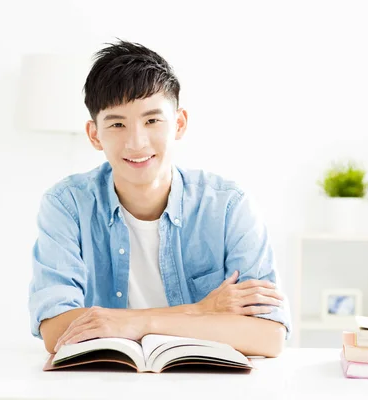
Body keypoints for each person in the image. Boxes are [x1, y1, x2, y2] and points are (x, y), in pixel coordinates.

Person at [28, 39, 291, 357]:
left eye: (152, 120)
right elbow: (55, 330)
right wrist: (199, 311)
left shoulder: (228, 206)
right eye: (117, 124)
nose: (136, 142)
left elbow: (268, 336)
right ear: (94, 134)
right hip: (104, 380)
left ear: (179, 124)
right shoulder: (67, 205)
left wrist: (135, 323)